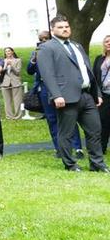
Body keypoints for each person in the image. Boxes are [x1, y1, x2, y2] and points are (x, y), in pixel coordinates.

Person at [35, 15, 106, 173]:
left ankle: (97, 164)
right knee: (66, 133)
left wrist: (97, 92)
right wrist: (56, 94)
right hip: (65, 97)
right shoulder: (47, 48)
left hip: (87, 95)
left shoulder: (76, 45)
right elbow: (47, 74)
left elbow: (87, 70)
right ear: (53, 30)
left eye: (67, 26)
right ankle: (71, 164)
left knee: (95, 131)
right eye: (60, 27)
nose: (65, 29)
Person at [27, 29, 81, 158]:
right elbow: (29, 70)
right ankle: (59, 148)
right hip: (44, 89)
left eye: (46, 38)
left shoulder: (59, 50)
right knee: (51, 119)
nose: (43, 41)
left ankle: (77, 148)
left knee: (69, 117)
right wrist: (34, 59)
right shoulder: (37, 53)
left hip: (61, 87)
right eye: (41, 39)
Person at [94, 35, 110, 159]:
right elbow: (95, 78)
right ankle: (102, 147)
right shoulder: (99, 59)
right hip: (104, 95)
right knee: (103, 122)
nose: (109, 43)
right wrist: (96, 95)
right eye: (106, 41)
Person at [0, 47, 24, 120]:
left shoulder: (18, 60)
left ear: (12, 52)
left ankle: (18, 116)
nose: (8, 53)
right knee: (7, 101)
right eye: (6, 51)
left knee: (17, 100)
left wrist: (12, 66)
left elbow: (18, 72)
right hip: (5, 82)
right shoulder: (2, 61)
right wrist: (5, 65)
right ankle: (9, 116)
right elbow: (1, 72)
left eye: (9, 51)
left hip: (15, 82)